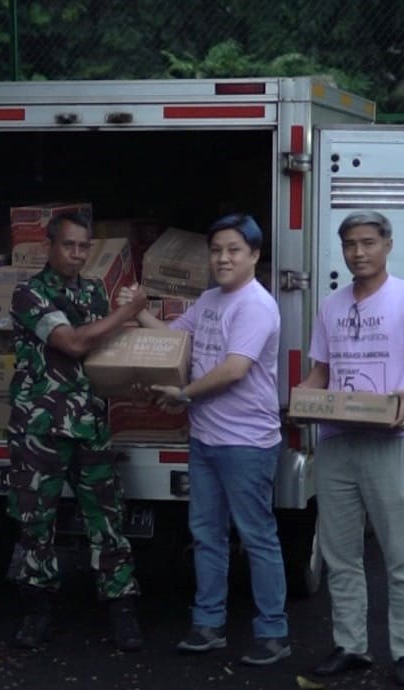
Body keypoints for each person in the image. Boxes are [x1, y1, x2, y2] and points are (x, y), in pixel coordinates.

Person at [121, 213, 290, 665]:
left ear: (255, 255)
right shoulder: (212, 298)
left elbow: (235, 368)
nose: (223, 257)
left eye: (234, 249)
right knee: (206, 535)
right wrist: (138, 313)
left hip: (247, 443)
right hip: (207, 439)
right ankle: (208, 624)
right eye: (216, 250)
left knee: (257, 537)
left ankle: (273, 632)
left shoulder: (255, 305)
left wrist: (185, 394)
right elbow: (178, 340)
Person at [298, 210, 404, 687]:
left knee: (401, 554)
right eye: (349, 245)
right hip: (337, 442)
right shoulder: (331, 307)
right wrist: (304, 397)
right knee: (341, 554)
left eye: (367, 243)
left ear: (387, 245)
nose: (358, 253)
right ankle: (351, 646)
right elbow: (322, 373)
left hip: (389, 440)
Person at [7, 210, 148, 652]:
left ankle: (121, 611)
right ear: (49, 246)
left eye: (84, 246)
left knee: (107, 522)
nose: (77, 253)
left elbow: (108, 349)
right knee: (36, 524)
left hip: (89, 426)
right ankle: (37, 612)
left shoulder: (93, 292)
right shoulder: (29, 293)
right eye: (68, 245)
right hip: (40, 428)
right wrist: (129, 309)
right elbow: (73, 343)